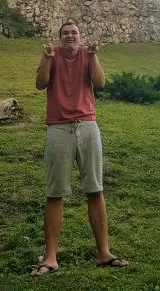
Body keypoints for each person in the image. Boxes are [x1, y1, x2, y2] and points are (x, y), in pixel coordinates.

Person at [32, 20, 128, 276]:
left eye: (74, 33)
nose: (70, 37)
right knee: (54, 193)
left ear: (80, 36)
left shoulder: (88, 54)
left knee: (95, 189)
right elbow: (40, 84)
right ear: (60, 37)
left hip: (87, 126)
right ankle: (50, 257)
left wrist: (94, 57)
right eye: (65, 33)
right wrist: (45, 58)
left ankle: (104, 253)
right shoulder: (51, 54)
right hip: (58, 128)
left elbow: (100, 82)